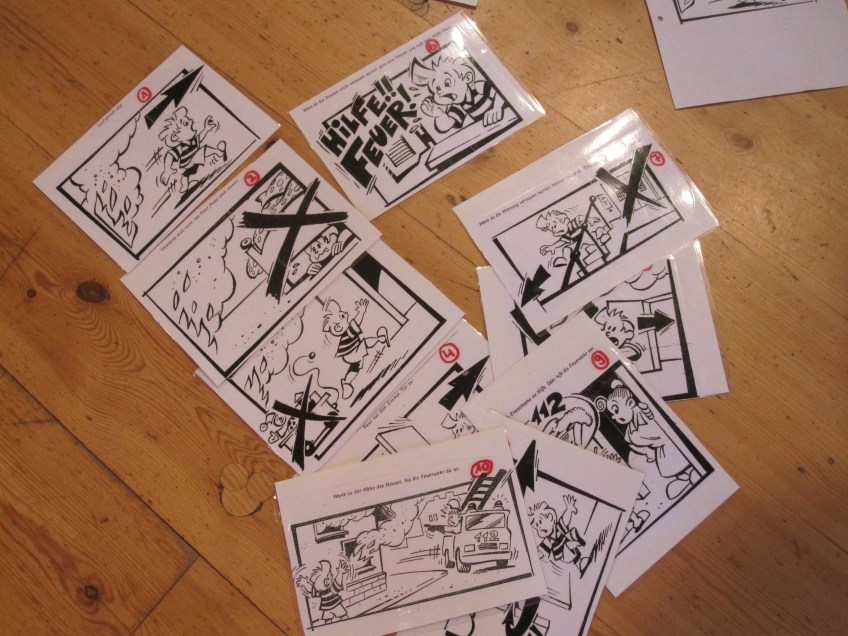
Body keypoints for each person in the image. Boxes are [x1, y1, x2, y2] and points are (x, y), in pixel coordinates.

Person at [595, 380, 699, 499]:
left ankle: (690, 475)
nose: (614, 417)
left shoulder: (641, 415)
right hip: (658, 450)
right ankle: (686, 478)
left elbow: (651, 432)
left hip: (666, 448)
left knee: (672, 466)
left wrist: (637, 437)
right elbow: (634, 441)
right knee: (667, 469)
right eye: (612, 413)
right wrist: (643, 447)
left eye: (616, 410)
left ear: (630, 403)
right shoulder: (631, 430)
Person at [410, 55, 504, 133]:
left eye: (447, 83)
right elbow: (446, 125)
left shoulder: (477, 87)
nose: (440, 91)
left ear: (467, 78)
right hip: (490, 127)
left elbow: (499, 92)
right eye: (437, 88)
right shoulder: (458, 106)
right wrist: (440, 114)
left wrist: (497, 107)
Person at [322, 298, 390, 399]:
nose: (346, 313)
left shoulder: (347, 333)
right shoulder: (348, 332)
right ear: (338, 327)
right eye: (342, 316)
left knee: (355, 367)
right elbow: (356, 322)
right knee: (365, 343)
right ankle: (381, 339)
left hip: (350, 355)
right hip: (352, 354)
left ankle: (347, 382)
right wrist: (361, 311)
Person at [158, 107, 226, 192]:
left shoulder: (192, 141)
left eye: (189, 120)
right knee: (203, 151)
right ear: (175, 136)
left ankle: (185, 186)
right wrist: (167, 170)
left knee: (186, 175)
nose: (191, 121)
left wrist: (206, 129)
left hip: (191, 162)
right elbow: (170, 154)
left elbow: (199, 138)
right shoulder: (181, 147)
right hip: (189, 162)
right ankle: (218, 152)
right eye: (186, 123)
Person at [295, 560, 350, 624]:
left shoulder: (331, 589)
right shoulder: (322, 592)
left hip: (336, 605)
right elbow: (312, 589)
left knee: (342, 616)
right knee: (328, 619)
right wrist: (305, 583)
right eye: (329, 574)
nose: (331, 575)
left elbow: (337, 582)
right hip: (327, 608)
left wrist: (340, 573)